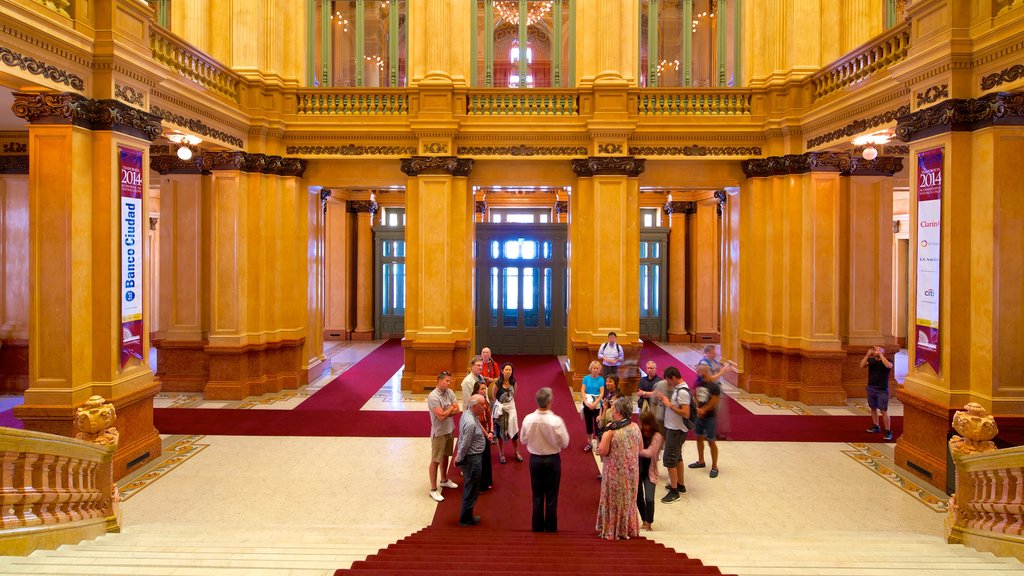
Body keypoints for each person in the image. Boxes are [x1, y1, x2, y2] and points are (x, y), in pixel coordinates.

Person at [520, 387, 570, 533]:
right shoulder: (556, 421)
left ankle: (537, 527)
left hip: (535, 460)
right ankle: (550, 527)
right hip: (552, 460)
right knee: (551, 495)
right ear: (549, 401)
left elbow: (523, 439)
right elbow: (565, 442)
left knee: (537, 494)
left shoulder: (529, 419)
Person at [595, 396, 641, 540]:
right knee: (628, 500)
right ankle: (628, 528)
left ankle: (612, 529)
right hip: (632, 471)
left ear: (619, 412)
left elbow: (602, 451)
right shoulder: (635, 427)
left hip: (615, 473)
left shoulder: (611, 431)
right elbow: (640, 448)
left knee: (614, 501)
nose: (612, 410)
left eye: (613, 408)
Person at [455, 394, 491, 527]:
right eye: (483, 404)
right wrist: (458, 458)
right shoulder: (470, 423)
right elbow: (465, 444)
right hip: (472, 460)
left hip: (474, 457)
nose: (485, 407)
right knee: (471, 489)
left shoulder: (469, 414)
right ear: (475, 406)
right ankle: (465, 520)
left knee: (472, 487)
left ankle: (468, 515)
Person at [656, 366, 690, 503]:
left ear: (674, 378)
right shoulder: (679, 389)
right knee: (678, 457)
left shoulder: (682, 392)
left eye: (669, 380)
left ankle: (674, 491)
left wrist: (669, 405)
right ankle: (680, 484)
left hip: (676, 430)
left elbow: (686, 413)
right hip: (674, 428)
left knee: (670, 459)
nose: (668, 383)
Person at [426, 371, 460, 502]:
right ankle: (433, 490)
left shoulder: (450, 392)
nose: (449, 383)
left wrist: (449, 410)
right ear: (439, 381)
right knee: (435, 460)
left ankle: (444, 480)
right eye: (446, 381)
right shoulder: (433, 396)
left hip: (449, 429)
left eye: (449, 381)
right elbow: (440, 417)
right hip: (439, 432)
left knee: (446, 456)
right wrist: (451, 409)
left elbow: (457, 409)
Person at [688, 364, 721, 478]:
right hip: (699, 415)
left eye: (699, 370)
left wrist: (703, 410)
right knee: (699, 437)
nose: (696, 371)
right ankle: (701, 461)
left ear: (705, 372)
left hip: (710, 417)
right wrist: (697, 408)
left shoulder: (714, 387)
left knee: (711, 441)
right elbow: (695, 396)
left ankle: (714, 466)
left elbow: (714, 402)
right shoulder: (698, 383)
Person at [636, 410, 664, 531]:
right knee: (638, 497)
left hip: (649, 471)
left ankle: (649, 522)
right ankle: (644, 520)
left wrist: (636, 450)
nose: (643, 427)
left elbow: (650, 452)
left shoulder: (657, 435)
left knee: (649, 498)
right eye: (642, 424)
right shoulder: (638, 431)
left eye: (645, 424)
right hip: (637, 469)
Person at [861, 345, 894, 441]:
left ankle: (888, 431)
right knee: (873, 408)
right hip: (871, 387)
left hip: (882, 390)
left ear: (883, 352)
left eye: (879, 349)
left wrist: (881, 354)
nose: (877, 350)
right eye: (875, 349)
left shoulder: (888, 361)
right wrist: (867, 354)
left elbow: (888, 366)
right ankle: (876, 426)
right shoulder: (871, 361)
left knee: (883, 410)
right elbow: (862, 365)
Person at [491, 362, 522, 463]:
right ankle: (501, 454)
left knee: (514, 432)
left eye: (510, 370)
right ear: (502, 371)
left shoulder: (513, 383)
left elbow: (514, 395)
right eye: (506, 369)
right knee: (500, 433)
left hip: (511, 408)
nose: (508, 371)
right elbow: (493, 395)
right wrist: (500, 405)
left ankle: (516, 451)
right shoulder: (498, 383)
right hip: (501, 409)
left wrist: (509, 405)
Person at [472, 380, 494, 491]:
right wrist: (486, 434)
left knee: (486, 459)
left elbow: (490, 416)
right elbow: (476, 421)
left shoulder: (485, 401)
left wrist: (492, 431)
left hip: (487, 433)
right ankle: (479, 486)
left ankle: (487, 482)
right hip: (479, 435)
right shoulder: (474, 403)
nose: (484, 391)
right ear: (476, 390)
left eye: (485, 388)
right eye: (482, 389)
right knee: (479, 460)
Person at [580, 361, 605, 452]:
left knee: (597, 425)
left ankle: (599, 444)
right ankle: (589, 443)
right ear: (591, 369)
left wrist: (595, 403)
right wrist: (586, 402)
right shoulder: (586, 378)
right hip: (587, 403)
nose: (595, 370)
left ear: (599, 370)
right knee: (588, 424)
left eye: (597, 368)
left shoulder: (601, 380)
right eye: (594, 368)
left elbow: (602, 393)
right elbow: (583, 390)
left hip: (597, 404)